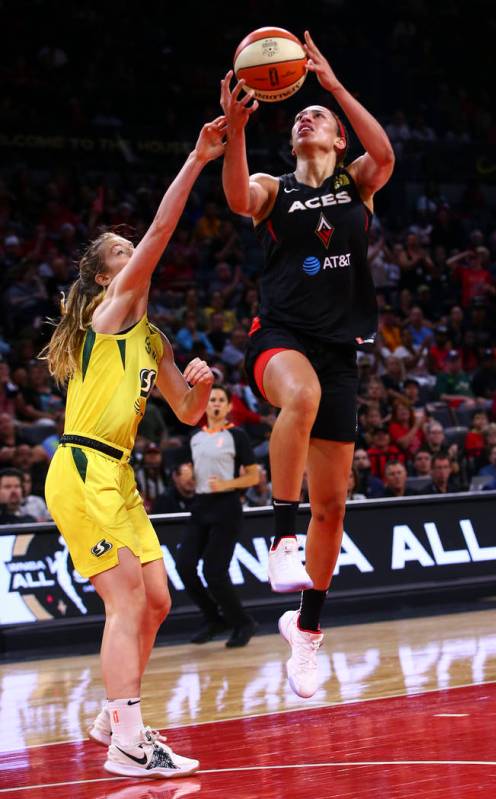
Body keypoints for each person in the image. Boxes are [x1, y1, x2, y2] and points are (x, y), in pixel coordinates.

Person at [42, 116, 226, 778]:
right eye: (120, 251)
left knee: (156, 601)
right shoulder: (108, 314)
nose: (133, 252)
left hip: (118, 475)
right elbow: (161, 233)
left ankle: (109, 716)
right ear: (102, 279)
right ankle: (127, 739)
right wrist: (200, 156)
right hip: (83, 464)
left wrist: (201, 386)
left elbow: (186, 413)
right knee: (125, 601)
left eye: (128, 248)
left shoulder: (152, 339)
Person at [220, 30, 394, 698]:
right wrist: (236, 131)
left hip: (340, 349)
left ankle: (308, 628)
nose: (306, 118)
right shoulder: (274, 187)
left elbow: (386, 151)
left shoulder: (359, 183)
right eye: (300, 116)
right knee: (301, 396)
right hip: (280, 335)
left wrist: (333, 85)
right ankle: (280, 538)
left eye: (315, 117)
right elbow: (238, 197)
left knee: (336, 509)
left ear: (336, 137)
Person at [175, 384, 260, 648]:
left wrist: (226, 484)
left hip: (227, 506)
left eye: (221, 400)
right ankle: (213, 618)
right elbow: (189, 474)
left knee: (214, 571)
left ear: (229, 406)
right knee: (184, 566)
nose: (216, 404)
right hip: (201, 505)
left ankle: (243, 622)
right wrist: (187, 477)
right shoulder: (195, 437)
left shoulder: (238, 436)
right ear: (205, 405)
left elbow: (253, 475)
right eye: (211, 399)